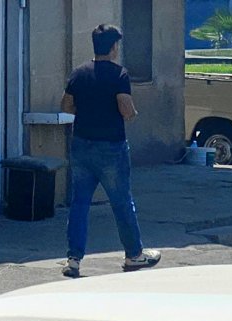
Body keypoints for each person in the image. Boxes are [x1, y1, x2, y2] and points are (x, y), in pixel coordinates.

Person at [59, 24, 161, 279]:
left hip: (82, 144)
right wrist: (133, 113)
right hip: (111, 147)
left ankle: (73, 260)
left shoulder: (78, 73)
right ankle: (134, 255)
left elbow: (66, 105)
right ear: (114, 47)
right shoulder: (119, 75)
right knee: (121, 201)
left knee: (79, 203)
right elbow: (125, 107)